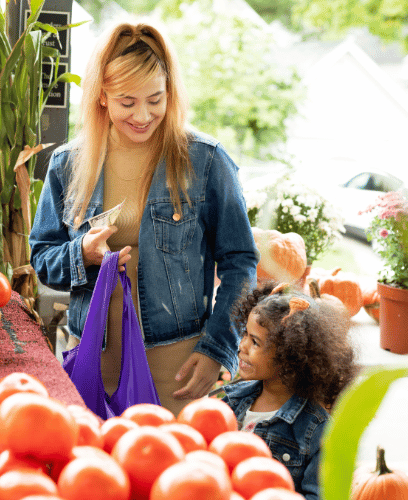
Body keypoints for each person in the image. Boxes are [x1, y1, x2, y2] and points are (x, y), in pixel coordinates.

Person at [29, 19, 258, 416]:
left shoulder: (206, 161)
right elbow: (42, 258)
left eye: (155, 99)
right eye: (127, 102)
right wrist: (81, 252)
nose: (143, 115)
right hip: (91, 360)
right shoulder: (68, 164)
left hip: (177, 366)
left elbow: (241, 263)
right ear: (102, 96)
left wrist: (217, 349)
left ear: (170, 92)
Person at [222, 281, 358, 499]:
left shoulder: (316, 430)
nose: (242, 346)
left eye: (255, 342)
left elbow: (320, 495)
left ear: (289, 356)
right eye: (245, 334)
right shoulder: (229, 402)